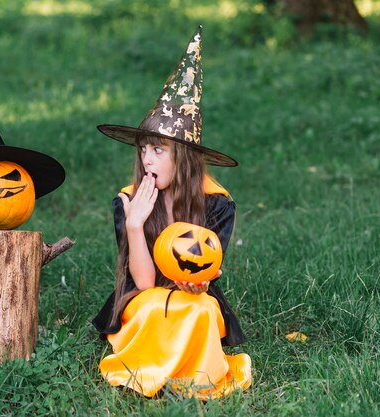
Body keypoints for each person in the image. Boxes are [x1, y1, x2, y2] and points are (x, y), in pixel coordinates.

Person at [91, 27, 252, 399]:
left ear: (184, 157)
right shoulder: (128, 200)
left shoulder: (216, 203)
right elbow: (145, 284)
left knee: (198, 311)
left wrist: (199, 282)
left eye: (158, 150)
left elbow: (205, 265)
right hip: (144, 295)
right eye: (143, 149)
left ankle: (195, 375)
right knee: (152, 308)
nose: (147, 159)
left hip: (194, 294)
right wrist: (135, 225)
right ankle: (150, 369)